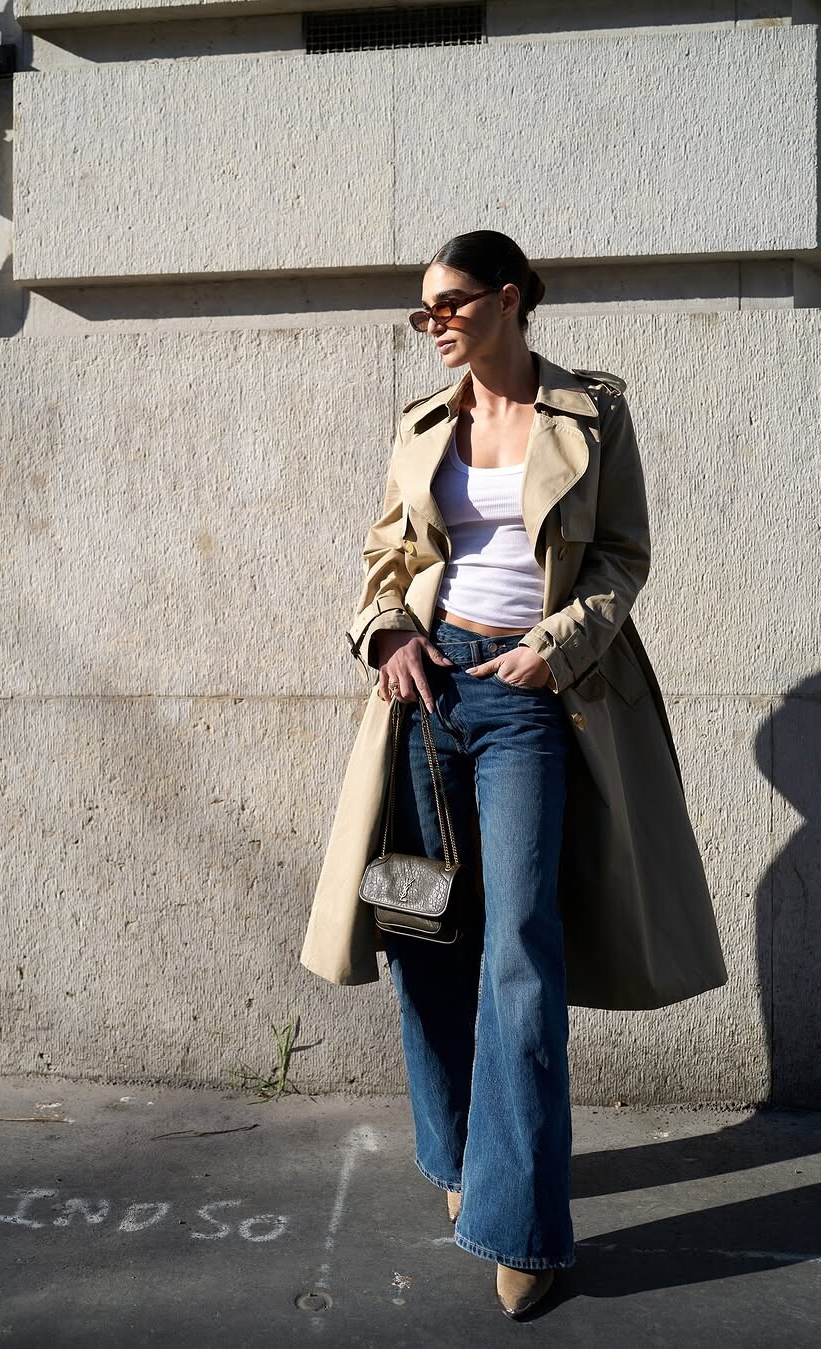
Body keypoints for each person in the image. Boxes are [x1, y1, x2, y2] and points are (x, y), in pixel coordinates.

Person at [299, 230, 727, 1321]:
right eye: (422, 311)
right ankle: (460, 1156)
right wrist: (389, 631)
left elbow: (622, 556)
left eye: (446, 304)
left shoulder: (590, 414)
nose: (431, 323)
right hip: (427, 695)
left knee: (521, 948)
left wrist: (555, 645)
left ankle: (522, 1224)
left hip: (534, 698)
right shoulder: (423, 423)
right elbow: (386, 556)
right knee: (423, 930)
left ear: (506, 299)